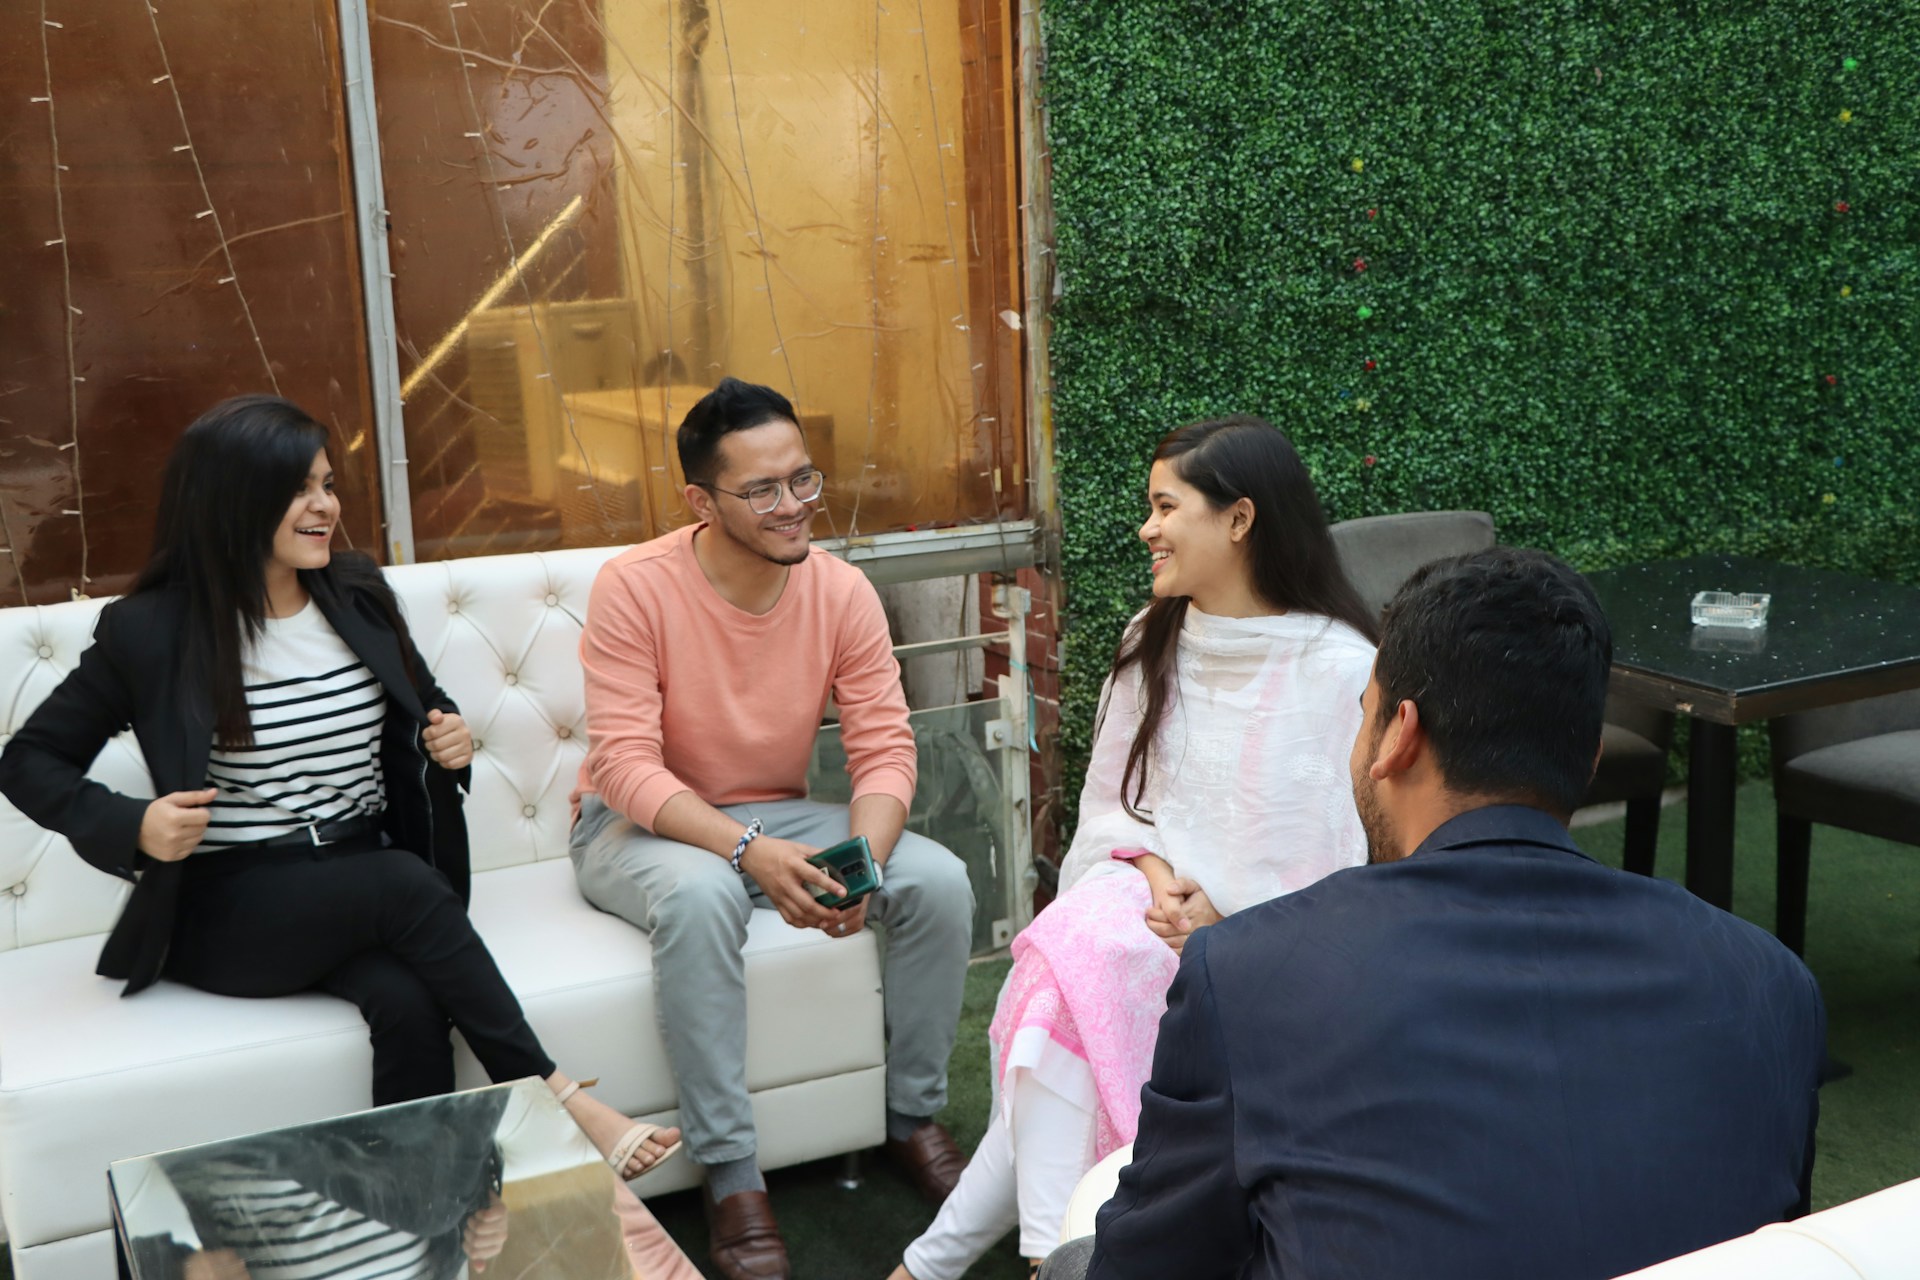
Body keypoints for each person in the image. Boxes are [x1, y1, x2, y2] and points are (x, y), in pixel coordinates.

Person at [1049, 548, 1826, 1280]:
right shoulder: (1772, 982)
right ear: (1587, 759)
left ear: (1399, 736)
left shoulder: (1250, 973)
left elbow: (1147, 1262)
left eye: (1363, 714)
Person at [0, 396, 685, 1194]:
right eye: (298, 490)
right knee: (402, 884)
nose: (324, 506)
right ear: (233, 501)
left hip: (359, 880)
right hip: (231, 905)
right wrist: (133, 825)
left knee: (409, 1004)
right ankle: (554, 1095)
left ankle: (427, 1220)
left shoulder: (354, 594)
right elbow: (29, 761)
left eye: (326, 485)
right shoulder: (151, 630)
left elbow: (428, 706)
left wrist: (450, 742)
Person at [892, 416, 1379, 1280]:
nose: (1146, 528)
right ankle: (1041, 1257)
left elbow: (1344, 862)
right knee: (1079, 965)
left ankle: (961, 1263)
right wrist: (1158, 878)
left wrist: (1227, 916)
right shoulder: (1148, 641)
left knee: (1060, 997)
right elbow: (1116, 811)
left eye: (1165, 506)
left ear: (1239, 519)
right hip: (1144, 904)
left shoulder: (1342, 669)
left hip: (1272, 945)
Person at [568, 377, 976, 1280]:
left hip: (771, 813)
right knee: (707, 891)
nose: (793, 506)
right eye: (761, 490)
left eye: (803, 479)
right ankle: (732, 1174)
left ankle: (908, 1117)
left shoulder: (840, 591)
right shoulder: (633, 586)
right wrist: (748, 849)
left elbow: (884, 752)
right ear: (699, 502)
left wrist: (859, 867)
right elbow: (628, 766)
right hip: (635, 823)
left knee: (937, 879)